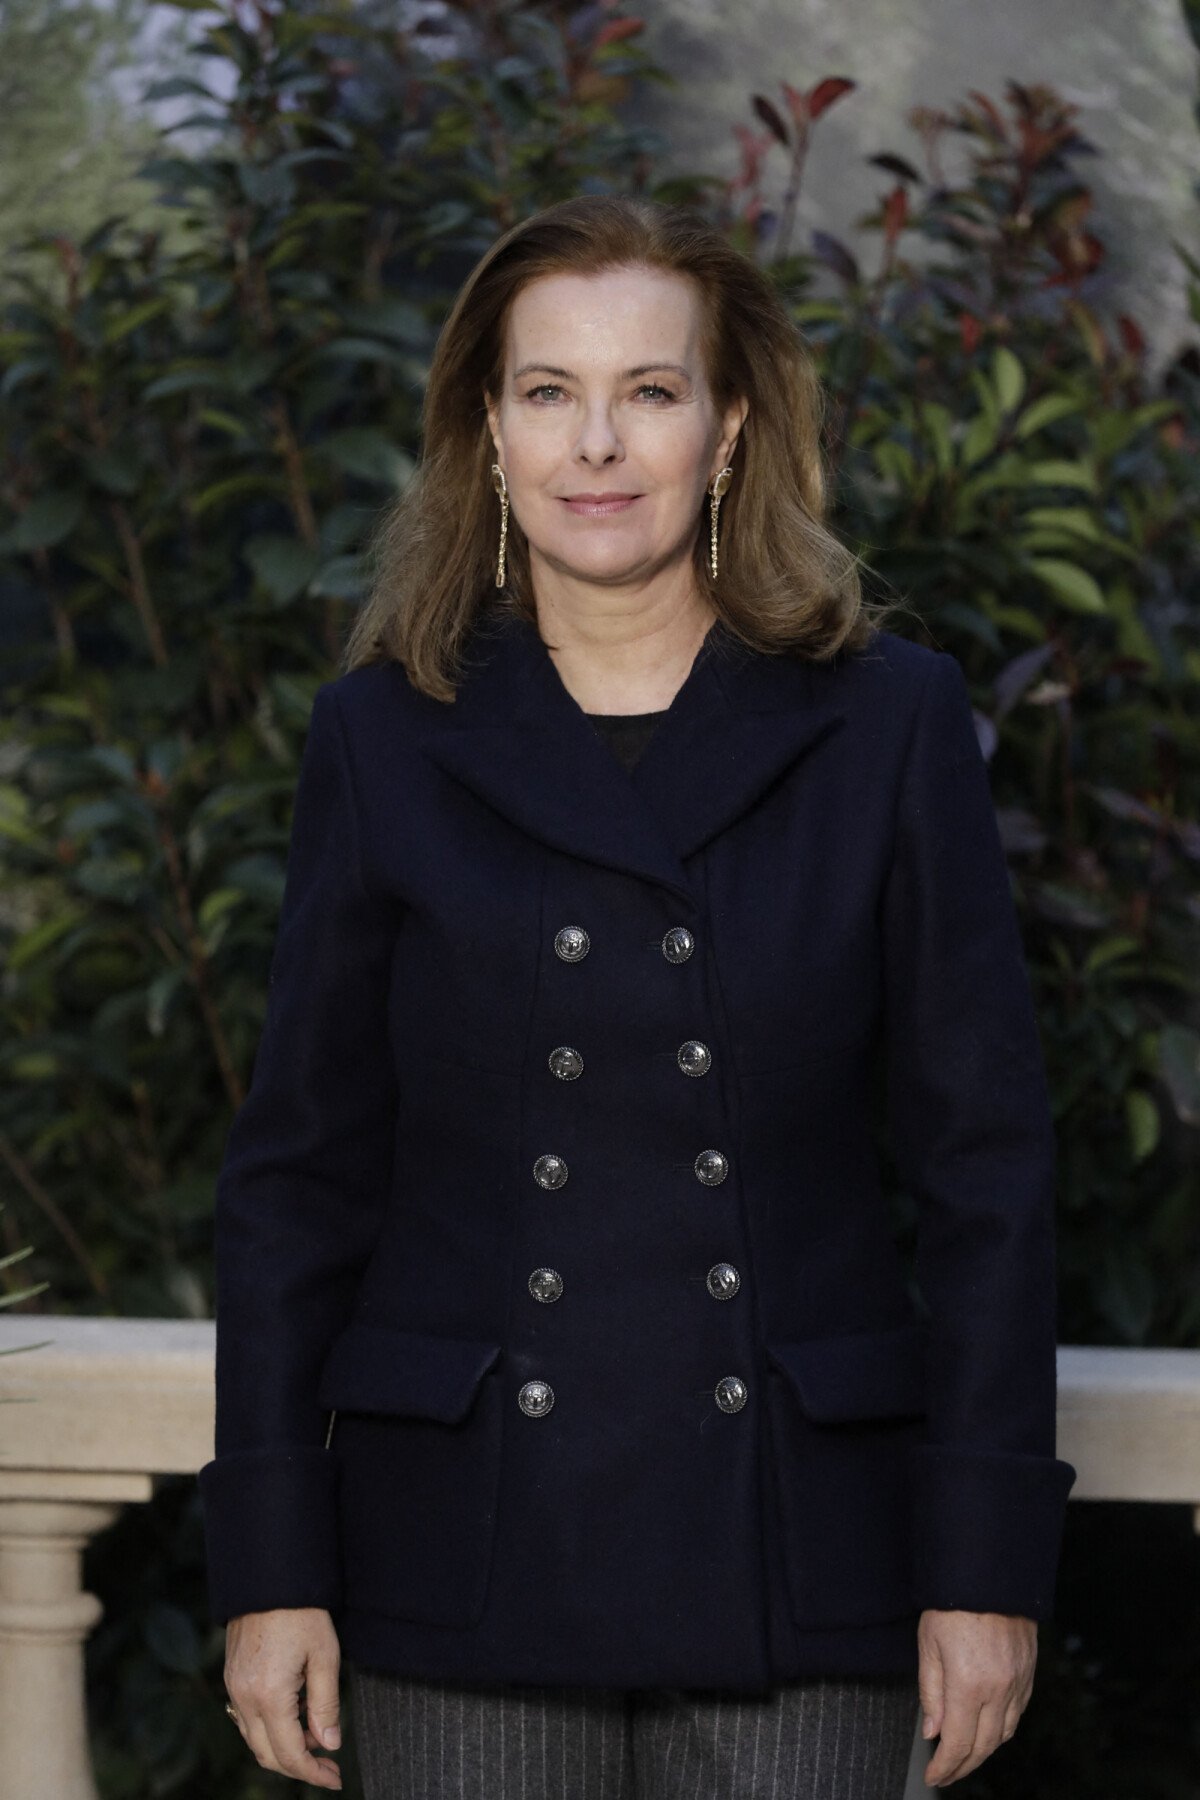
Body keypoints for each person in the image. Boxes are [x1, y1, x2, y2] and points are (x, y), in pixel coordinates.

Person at [198, 193, 1077, 1798]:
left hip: (801, 1549)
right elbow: (298, 1182)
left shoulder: (884, 724)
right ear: (489, 426)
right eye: (549, 392)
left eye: (651, 392)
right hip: (461, 1540)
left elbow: (987, 1180)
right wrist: (269, 1562)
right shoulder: (384, 737)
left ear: (729, 427)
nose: (597, 444)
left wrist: (987, 1559)